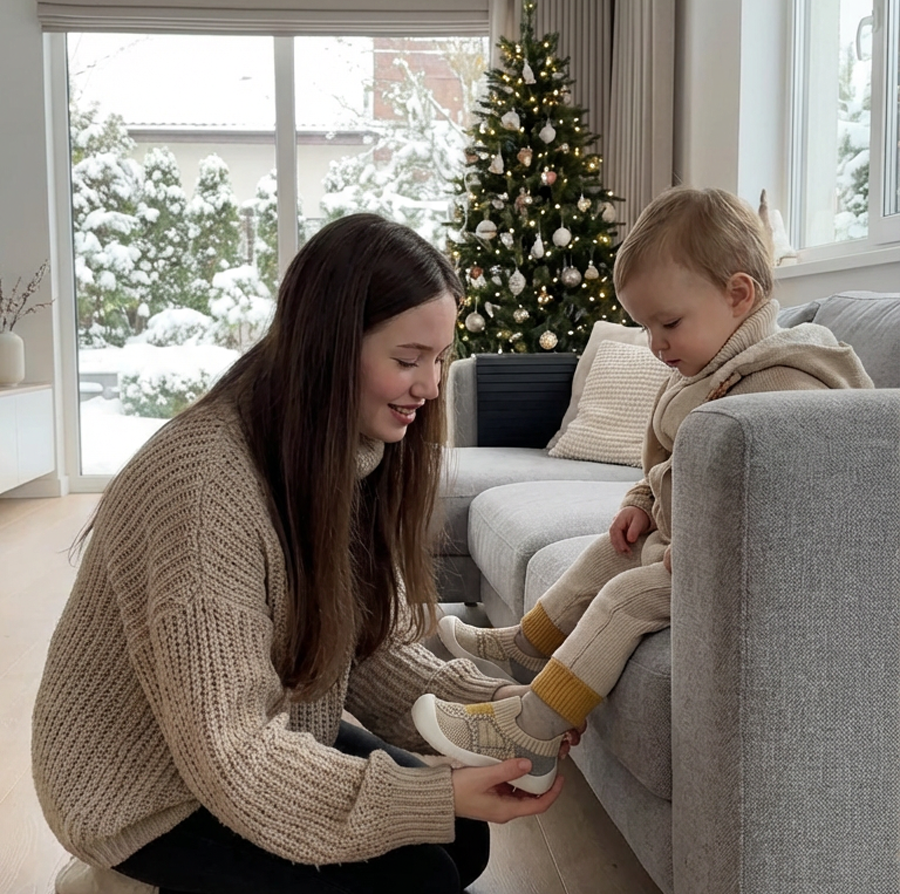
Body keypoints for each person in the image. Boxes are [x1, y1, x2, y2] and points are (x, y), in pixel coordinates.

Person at [32, 213, 567, 894]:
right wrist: (430, 795)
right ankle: (121, 881)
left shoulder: (343, 451)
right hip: (146, 793)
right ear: (329, 349)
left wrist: (499, 708)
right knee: (423, 875)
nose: (431, 386)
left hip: (257, 734)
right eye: (408, 360)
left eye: (438, 359)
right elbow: (233, 759)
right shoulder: (203, 489)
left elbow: (357, 648)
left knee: (462, 842)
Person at [411, 186, 875, 794]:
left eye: (668, 323)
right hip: (690, 546)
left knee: (627, 598)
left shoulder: (785, 384)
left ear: (739, 294)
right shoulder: (703, 367)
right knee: (609, 552)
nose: (656, 344)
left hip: (759, 572)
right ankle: (528, 644)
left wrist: (703, 547)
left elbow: (797, 505)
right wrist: (640, 504)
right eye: (645, 327)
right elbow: (664, 464)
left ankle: (532, 734)